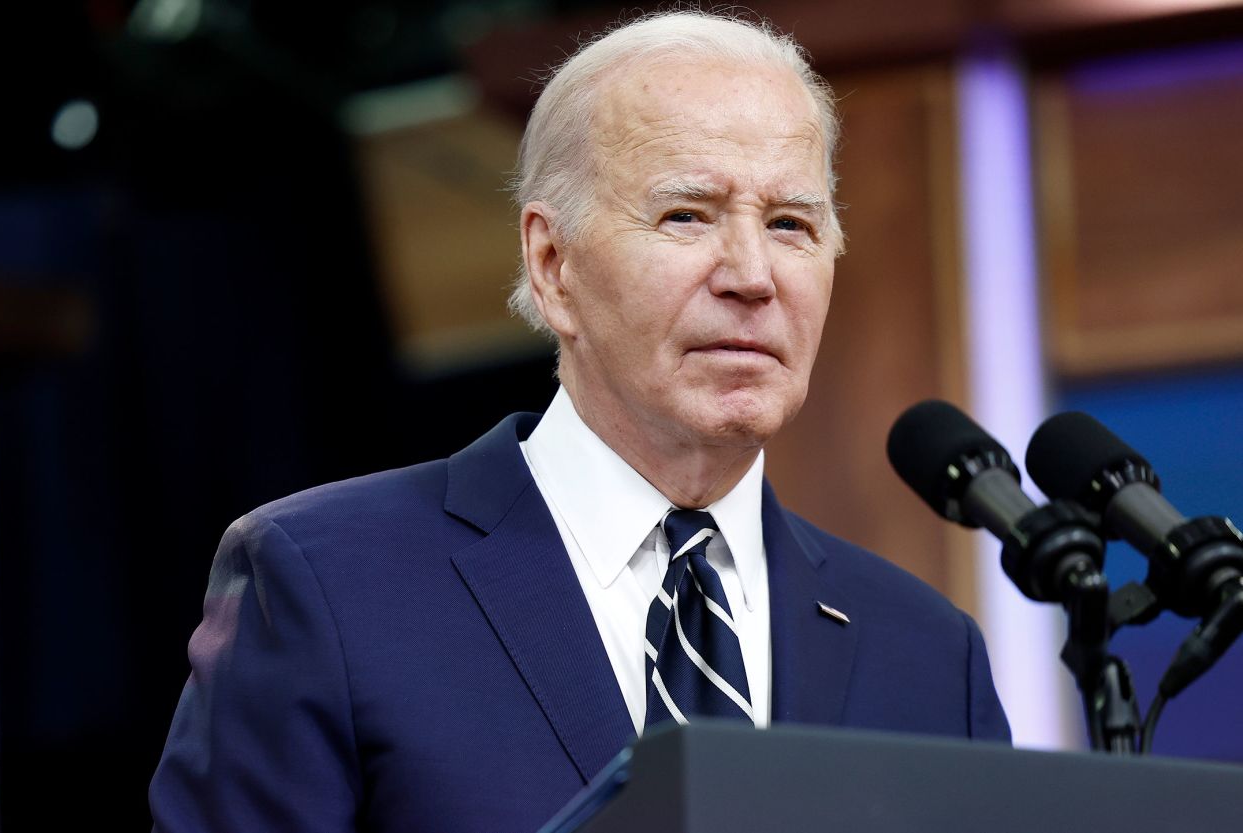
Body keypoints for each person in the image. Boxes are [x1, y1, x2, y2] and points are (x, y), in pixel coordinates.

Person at [150, 10, 1010, 833]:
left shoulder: (930, 657)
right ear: (553, 265)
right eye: (687, 216)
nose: (753, 274)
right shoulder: (326, 585)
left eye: (790, 223)